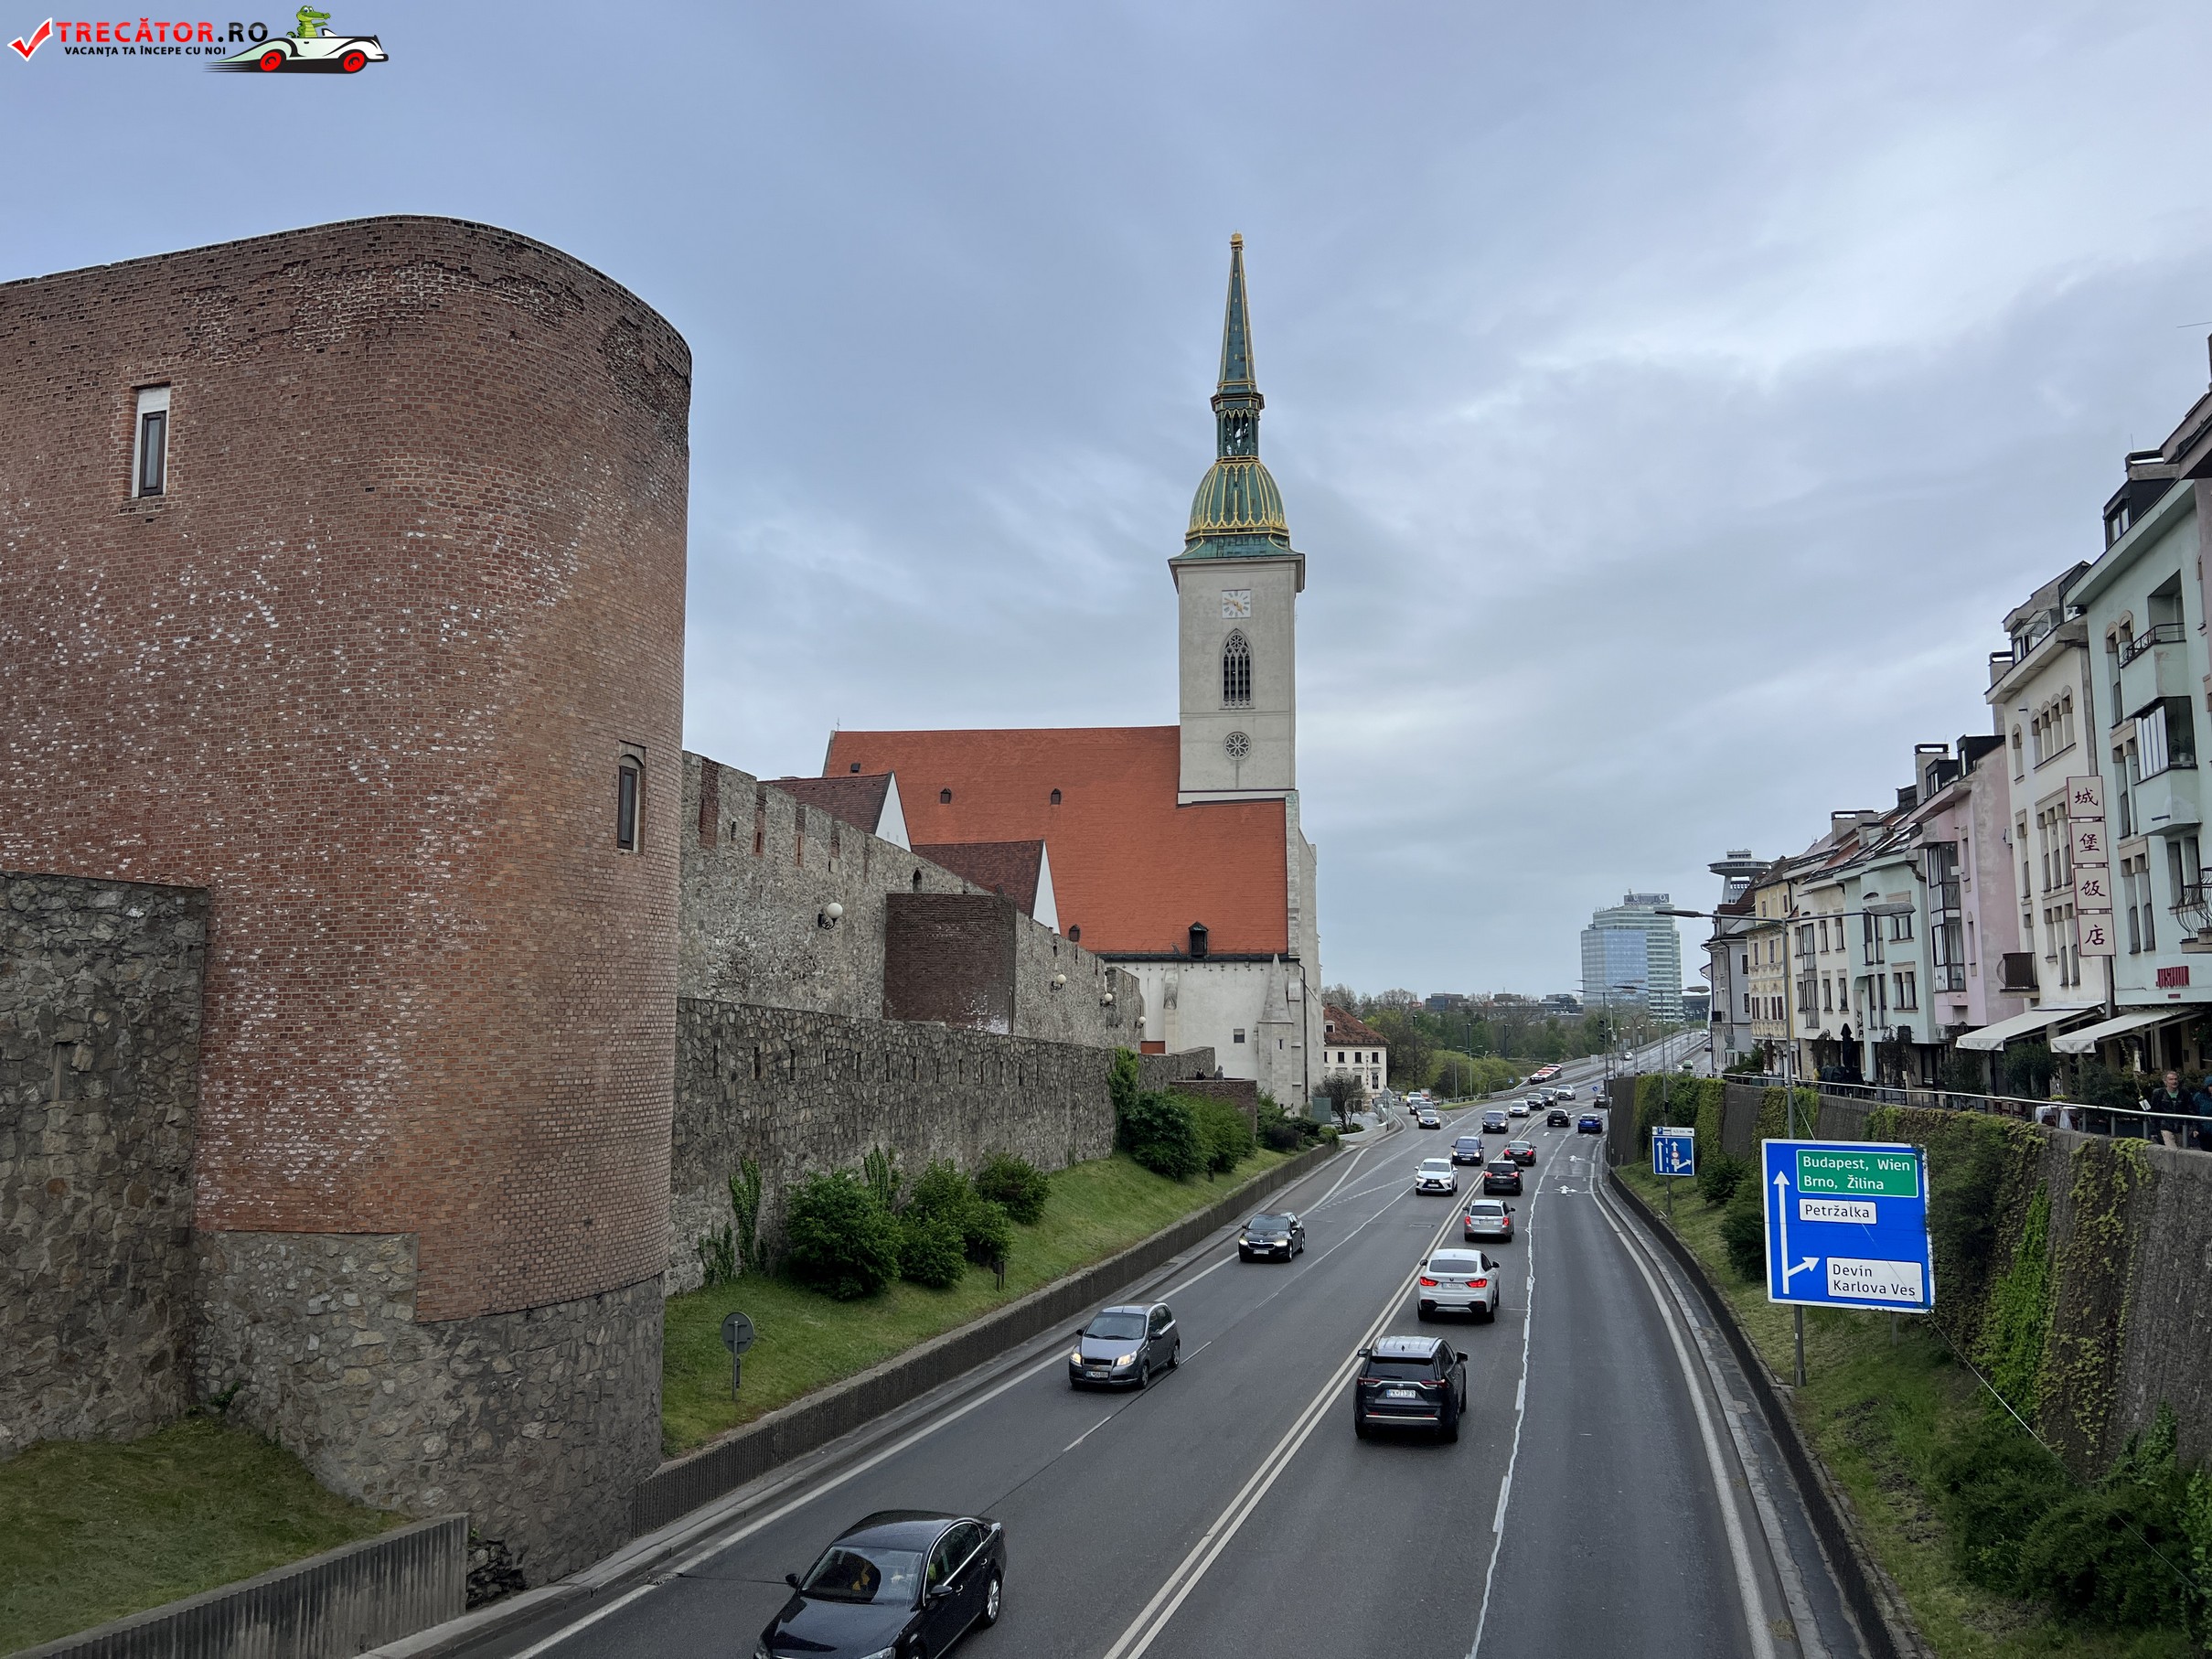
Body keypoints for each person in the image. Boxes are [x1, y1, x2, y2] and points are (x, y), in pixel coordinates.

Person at [2148, 1069, 2186, 1150]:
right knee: (2172, 1150)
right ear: (2165, 1081)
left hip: (2181, 1127)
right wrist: (2156, 1129)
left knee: (2182, 1150)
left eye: (2175, 1079)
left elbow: (2190, 1109)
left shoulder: (2184, 1093)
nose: (2174, 1081)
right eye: (2171, 1079)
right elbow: (2154, 1111)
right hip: (2165, 1126)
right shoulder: (2159, 1093)